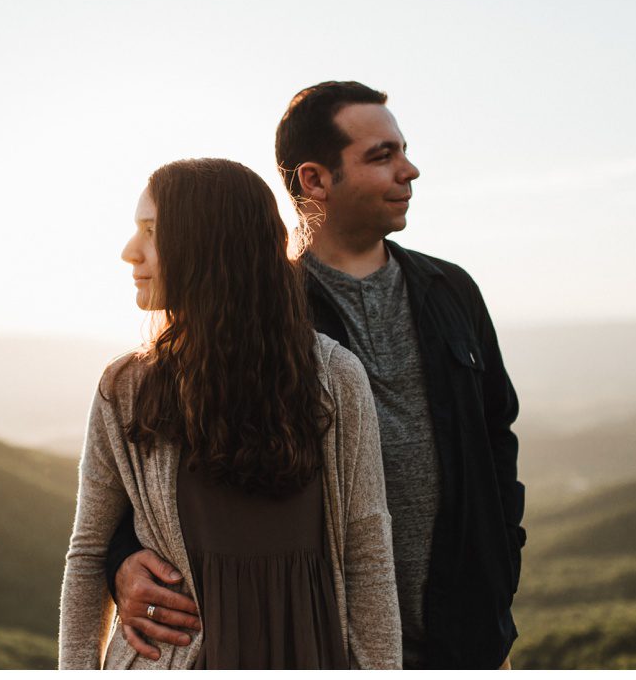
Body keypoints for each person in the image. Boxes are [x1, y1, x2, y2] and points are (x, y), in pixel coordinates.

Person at [105, 83, 525, 670]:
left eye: (403, 150)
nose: (410, 170)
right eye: (382, 156)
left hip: (467, 637)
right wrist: (120, 558)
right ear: (315, 180)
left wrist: (501, 563)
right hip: (325, 638)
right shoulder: (257, 314)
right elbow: (159, 469)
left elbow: (496, 433)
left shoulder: (451, 290)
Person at [58, 158, 402, 670]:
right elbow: (88, 555)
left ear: (213, 245)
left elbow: (367, 557)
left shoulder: (334, 378)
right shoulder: (126, 387)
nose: (130, 252)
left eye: (152, 231)